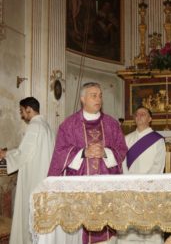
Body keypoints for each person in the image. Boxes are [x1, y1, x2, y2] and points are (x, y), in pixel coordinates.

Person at [48, 82, 128, 244]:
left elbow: (122, 149)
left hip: (106, 189)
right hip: (79, 191)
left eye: (100, 95)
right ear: (83, 99)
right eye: (93, 95)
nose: (98, 99)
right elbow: (59, 153)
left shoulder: (112, 124)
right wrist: (83, 152)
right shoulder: (69, 125)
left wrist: (106, 152)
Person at [0, 97, 54, 244]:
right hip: (42, 178)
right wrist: (7, 153)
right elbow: (26, 150)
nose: (21, 114)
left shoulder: (34, 126)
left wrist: (3, 164)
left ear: (28, 109)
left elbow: (23, 155)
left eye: (22, 111)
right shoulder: (46, 126)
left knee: (28, 217)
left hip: (33, 179)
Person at [118, 106, 165, 244]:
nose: (139, 116)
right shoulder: (126, 139)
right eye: (137, 114)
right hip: (130, 187)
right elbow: (122, 163)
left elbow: (158, 164)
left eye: (143, 114)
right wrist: (129, 181)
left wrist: (145, 183)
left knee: (149, 225)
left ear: (150, 119)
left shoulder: (157, 140)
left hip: (149, 188)